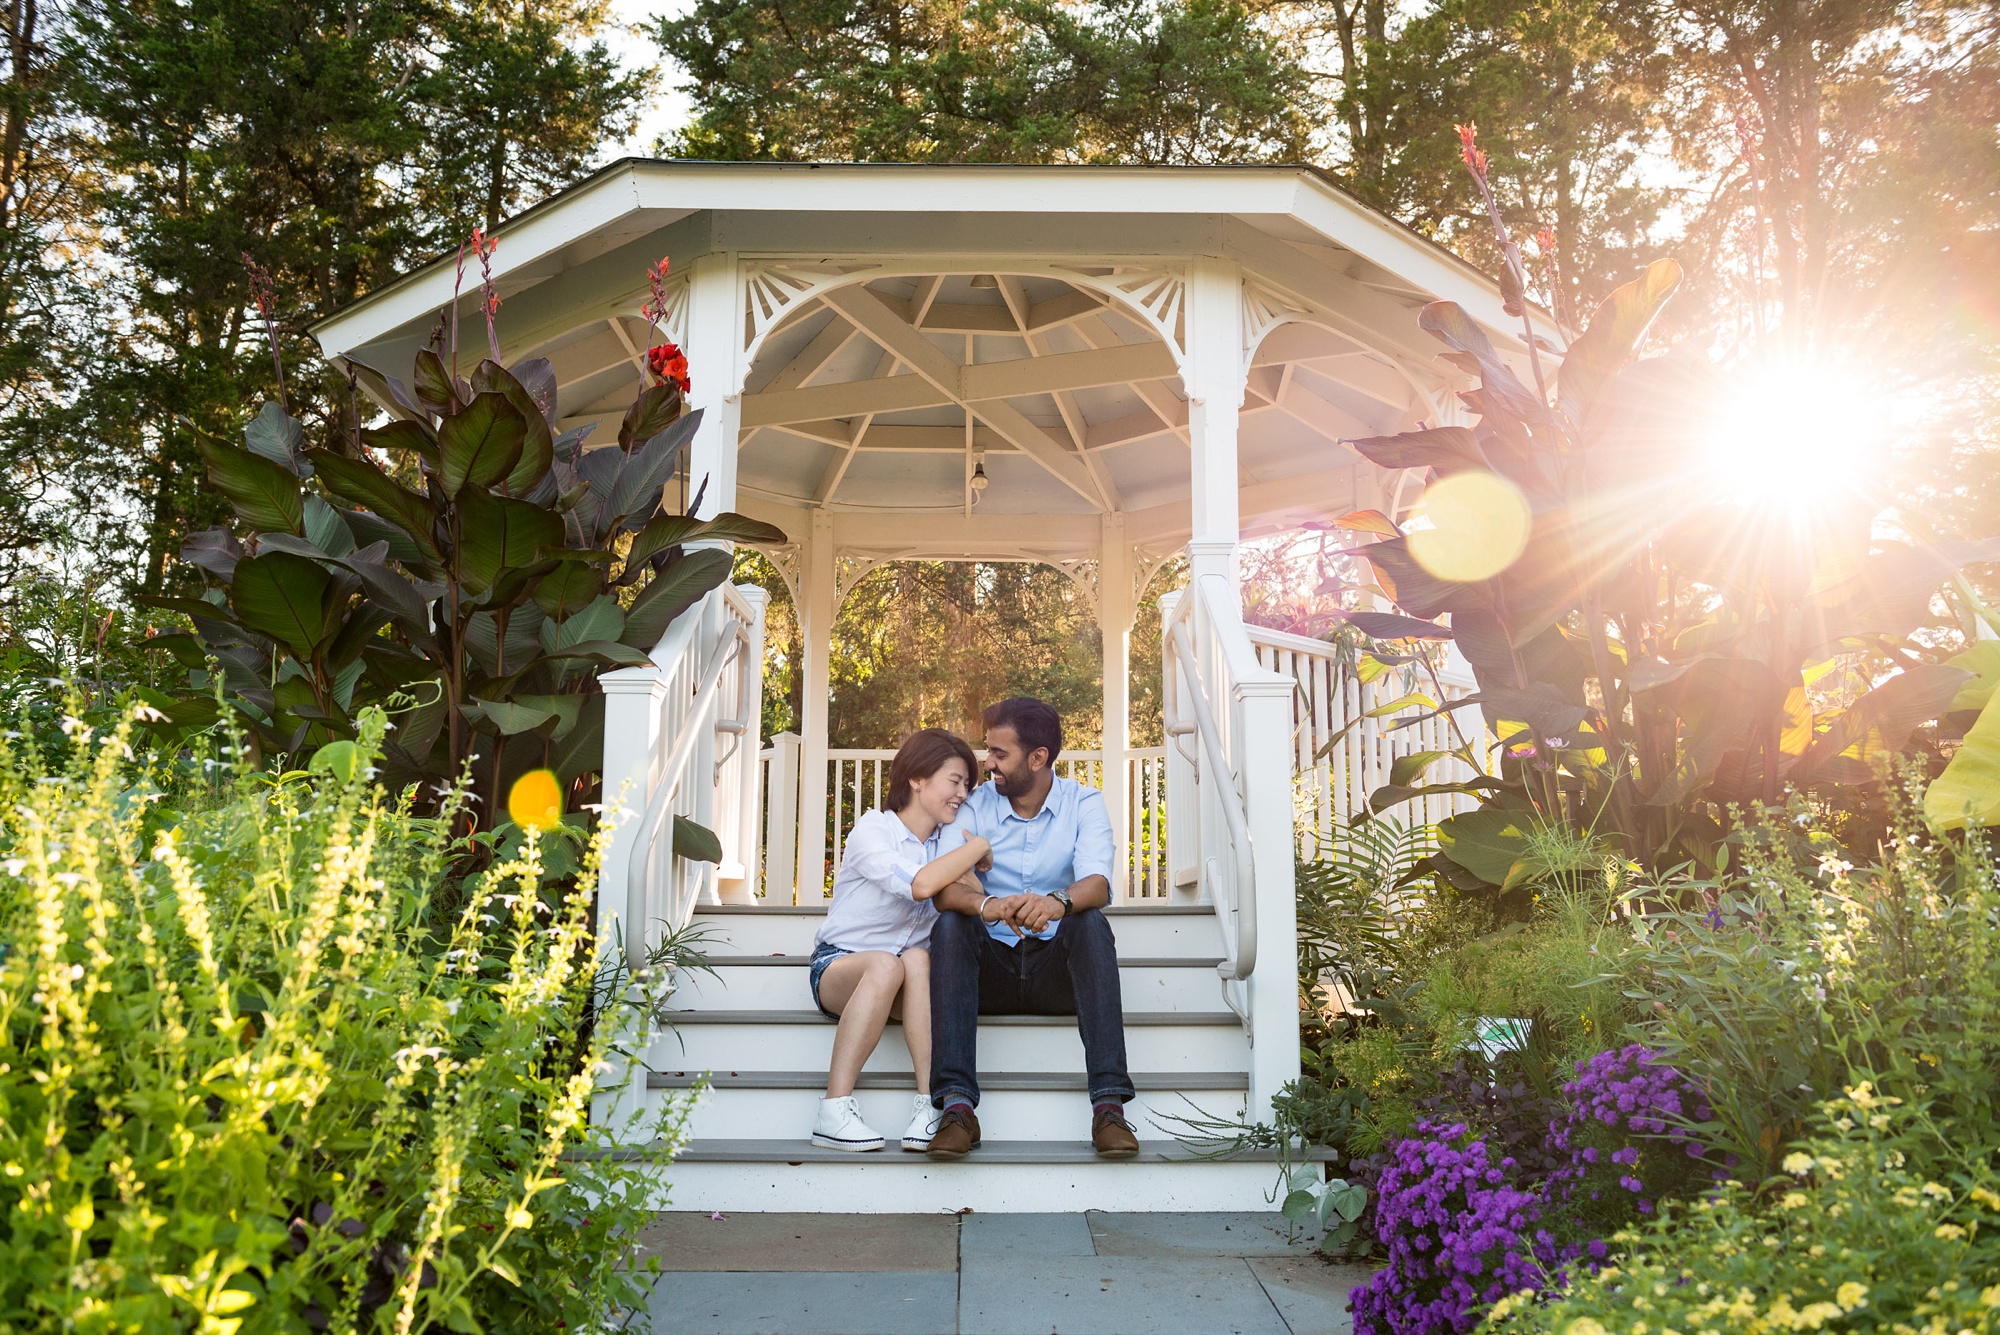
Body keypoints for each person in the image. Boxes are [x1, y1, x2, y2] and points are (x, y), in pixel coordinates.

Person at [924, 697, 1141, 1161]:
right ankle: (957, 1109)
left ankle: (1109, 1109)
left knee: (1090, 922)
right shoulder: (975, 805)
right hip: (989, 972)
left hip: (1054, 974)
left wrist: (1054, 903)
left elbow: (1098, 883)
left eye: (999, 753)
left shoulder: (1083, 802)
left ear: (1038, 757)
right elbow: (943, 890)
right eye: (989, 751)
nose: (988, 763)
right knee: (950, 925)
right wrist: (990, 905)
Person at [808, 727, 994, 1152]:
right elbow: (922, 886)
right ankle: (833, 1110)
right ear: (917, 779)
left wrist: (966, 863)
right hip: (840, 967)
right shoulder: (874, 830)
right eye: (954, 780)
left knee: (917, 959)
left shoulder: (944, 846)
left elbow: (973, 897)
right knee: (888, 964)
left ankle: (929, 1106)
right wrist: (979, 846)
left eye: (967, 785)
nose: (962, 794)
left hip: (906, 982)